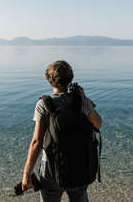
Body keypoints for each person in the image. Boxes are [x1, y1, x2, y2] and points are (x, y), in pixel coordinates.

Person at [22, 60, 102, 202]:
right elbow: (98, 124)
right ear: (70, 78)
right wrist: (84, 97)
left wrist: (27, 173)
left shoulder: (43, 105)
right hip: (80, 163)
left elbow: (36, 142)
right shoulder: (82, 101)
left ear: (50, 80)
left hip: (52, 167)